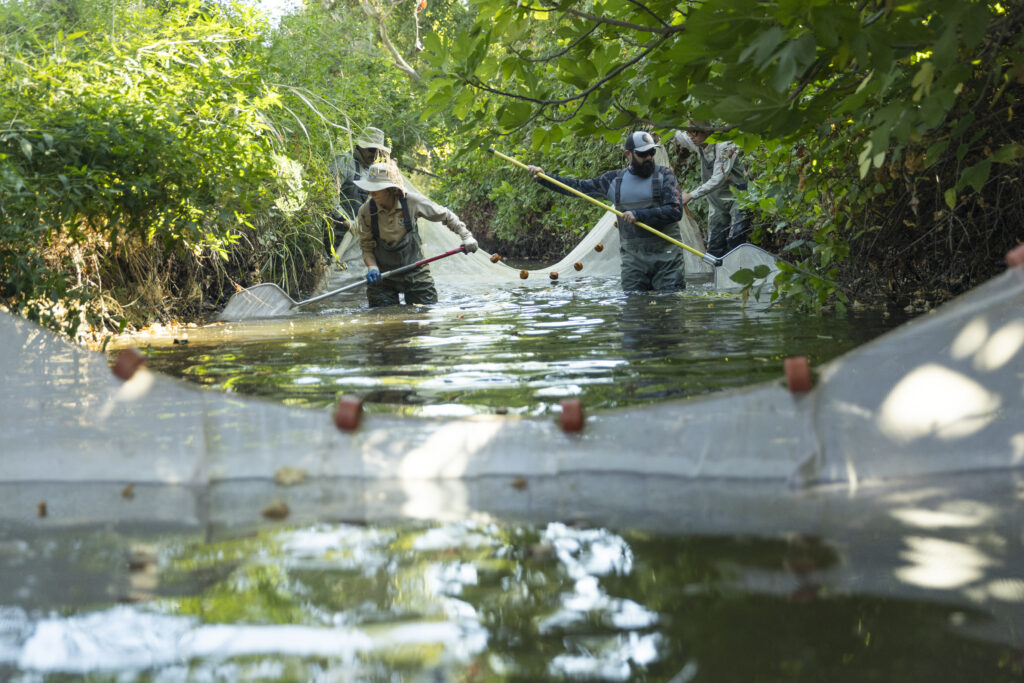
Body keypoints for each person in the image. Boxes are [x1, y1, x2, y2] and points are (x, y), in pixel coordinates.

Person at [527, 131, 686, 292]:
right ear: (628, 154)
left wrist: (638, 215)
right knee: (634, 310)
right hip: (634, 262)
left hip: (667, 258)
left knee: (669, 305)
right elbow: (578, 188)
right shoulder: (614, 180)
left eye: (652, 152)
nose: (649, 158)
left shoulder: (665, 175)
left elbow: (675, 210)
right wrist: (544, 178)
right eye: (643, 154)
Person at [354, 160, 478, 307]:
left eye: (377, 188)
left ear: (391, 189)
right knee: (381, 317)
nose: (371, 192)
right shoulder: (366, 211)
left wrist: (467, 237)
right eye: (370, 187)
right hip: (383, 276)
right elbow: (366, 247)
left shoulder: (412, 202)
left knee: (425, 314)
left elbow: (446, 215)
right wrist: (372, 267)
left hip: (415, 270)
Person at [672, 122, 751, 256]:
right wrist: (658, 132)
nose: (691, 137)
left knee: (736, 239)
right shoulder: (698, 144)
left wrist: (691, 195)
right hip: (717, 203)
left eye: (695, 133)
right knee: (714, 246)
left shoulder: (725, 146)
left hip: (738, 199)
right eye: (689, 133)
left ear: (707, 132)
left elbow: (718, 179)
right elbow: (677, 133)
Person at [326, 127, 391, 250]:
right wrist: (343, 219)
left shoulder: (372, 170)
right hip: (336, 231)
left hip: (357, 237)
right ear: (360, 146)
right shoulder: (344, 161)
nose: (375, 155)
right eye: (372, 150)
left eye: (378, 151)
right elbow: (329, 194)